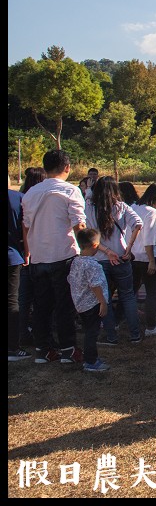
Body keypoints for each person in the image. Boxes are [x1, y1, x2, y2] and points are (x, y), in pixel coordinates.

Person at [21, 149, 88, 365]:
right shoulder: (71, 191)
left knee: (42, 305)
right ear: (67, 167)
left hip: (39, 256)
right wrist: (87, 249)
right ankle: (68, 350)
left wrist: (28, 252)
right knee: (64, 305)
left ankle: (43, 349)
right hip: (63, 254)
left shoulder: (30, 193)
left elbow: (26, 225)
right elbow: (79, 224)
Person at [86, 176, 144, 345]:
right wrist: (128, 247)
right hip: (121, 257)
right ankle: (135, 335)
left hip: (100, 258)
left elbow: (90, 235)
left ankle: (111, 336)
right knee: (128, 297)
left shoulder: (90, 208)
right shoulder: (122, 207)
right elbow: (138, 224)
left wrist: (106, 251)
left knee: (105, 298)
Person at [67, 228, 111, 373]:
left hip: (81, 304)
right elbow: (95, 285)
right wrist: (103, 302)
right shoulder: (92, 265)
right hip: (93, 304)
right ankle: (91, 361)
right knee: (92, 333)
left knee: (89, 331)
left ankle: (92, 358)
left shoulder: (76, 262)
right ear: (94, 246)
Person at [132, 184, 156, 336]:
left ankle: (119, 320)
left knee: (131, 290)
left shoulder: (134, 207)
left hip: (132, 255)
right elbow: (149, 240)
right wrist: (151, 261)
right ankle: (151, 326)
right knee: (151, 292)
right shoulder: (152, 213)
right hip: (145, 256)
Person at [16, 167, 46, 352]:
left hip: (21, 254)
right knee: (40, 297)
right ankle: (36, 333)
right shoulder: (35, 201)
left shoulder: (20, 199)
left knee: (23, 298)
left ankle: (22, 332)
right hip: (36, 254)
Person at [8, 174, 30, 361]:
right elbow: (25, 228)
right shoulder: (18, 198)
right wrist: (27, 251)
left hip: (13, 255)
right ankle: (12, 348)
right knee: (11, 302)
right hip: (12, 255)